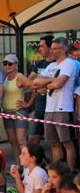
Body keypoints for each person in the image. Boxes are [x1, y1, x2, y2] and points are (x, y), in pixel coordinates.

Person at [33, 37, 78, 170]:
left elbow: (59, 84)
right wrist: (52, 81)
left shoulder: (69, 63)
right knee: (54, 143)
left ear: (64, 49)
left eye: (55, 48)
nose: (51, 51)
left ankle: (70, 173)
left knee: (67, 143)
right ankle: (57, 173)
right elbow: (36, 83)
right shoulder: (51, 66)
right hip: (49, 108)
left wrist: (48, 83)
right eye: (51, 48)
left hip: (63, 108)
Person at [1, 54, 30, 163]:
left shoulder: (20, 77)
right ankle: (20, 165)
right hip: (7, 112)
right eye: (5, 63)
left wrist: (28, 103)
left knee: (21, 141)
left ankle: (28, 166)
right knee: (13, 141)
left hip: (19, 112)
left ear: (16, 64)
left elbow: (33, 87)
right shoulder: (6, 77)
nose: (7, 66)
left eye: (10, 63)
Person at [26, 35, 54, 145]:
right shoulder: (39, 63)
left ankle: (56, 162)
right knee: (32, 139)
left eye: (42, 46)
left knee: (53, 141)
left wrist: (41, 84)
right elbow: (29, 82)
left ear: (50, 47)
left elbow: (56, 83)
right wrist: (39, 88)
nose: (39, 49)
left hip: (52, 107)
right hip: (39, 107)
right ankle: (37, 161)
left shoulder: (57, 63)